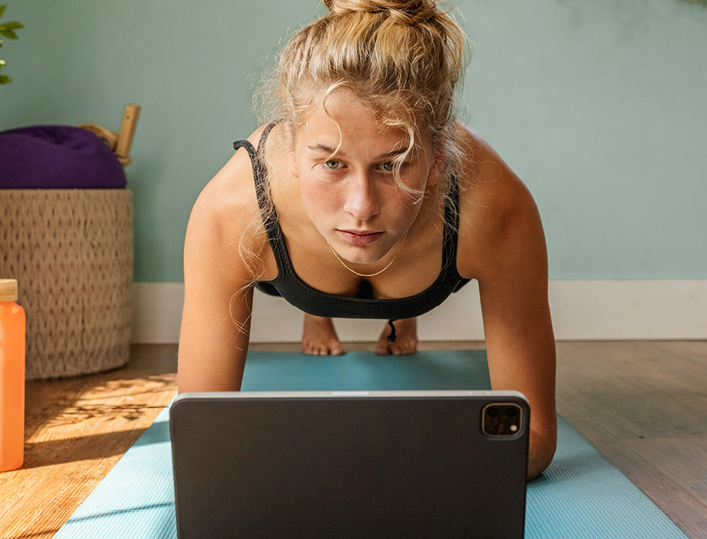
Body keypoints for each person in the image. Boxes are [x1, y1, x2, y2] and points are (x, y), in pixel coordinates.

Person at [178, 0, 556, 478]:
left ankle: (403, 312)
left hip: (433, 235)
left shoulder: (495, 209)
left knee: (372, 231)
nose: (361, 205)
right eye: (332, 163)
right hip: (292, 251)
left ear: (438, 156)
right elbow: (200, 436)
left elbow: (535, 441)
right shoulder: (233, 212)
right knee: (352, 231)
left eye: (393, 164)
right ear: (292, 152)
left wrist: (378, 469)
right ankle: (319, 313)